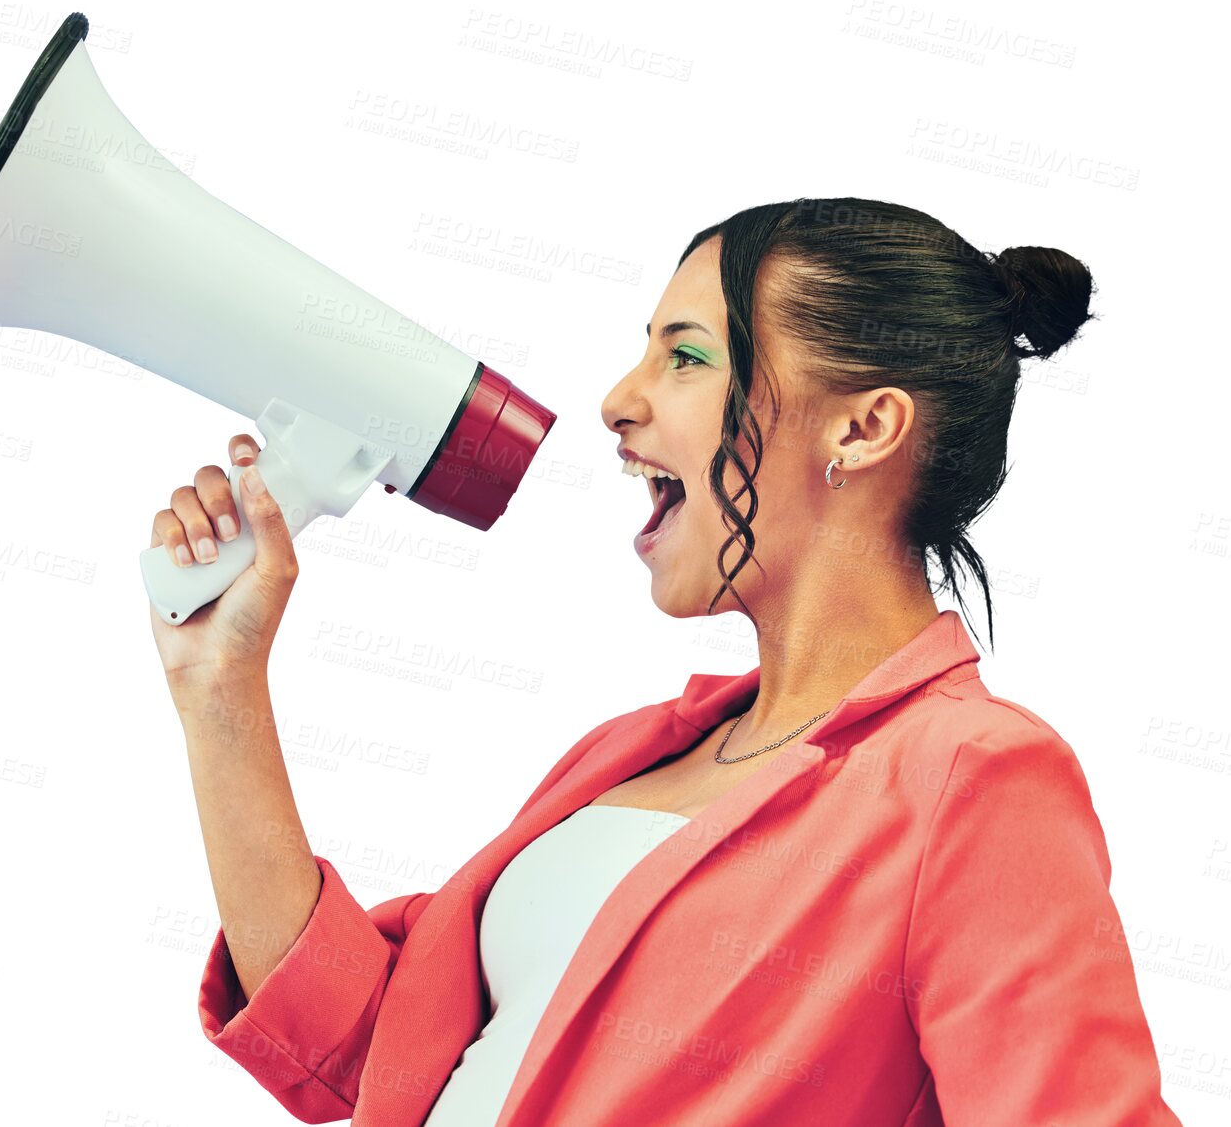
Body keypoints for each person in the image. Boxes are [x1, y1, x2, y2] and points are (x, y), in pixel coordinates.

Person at [147, 197, 1183, 1126]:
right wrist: (219, 687)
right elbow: (358, 1051)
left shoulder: (975, 777)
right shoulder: (631, 755)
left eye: (686, 358)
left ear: (865, 428)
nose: (618, 400)